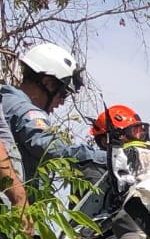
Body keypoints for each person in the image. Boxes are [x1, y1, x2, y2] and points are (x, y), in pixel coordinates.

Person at [1, 42, 107, 181]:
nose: (62, 102)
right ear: (48, 84)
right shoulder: (24, 110)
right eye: (63, 93)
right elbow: (47, 146)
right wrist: (107, 158)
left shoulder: (6, 102)